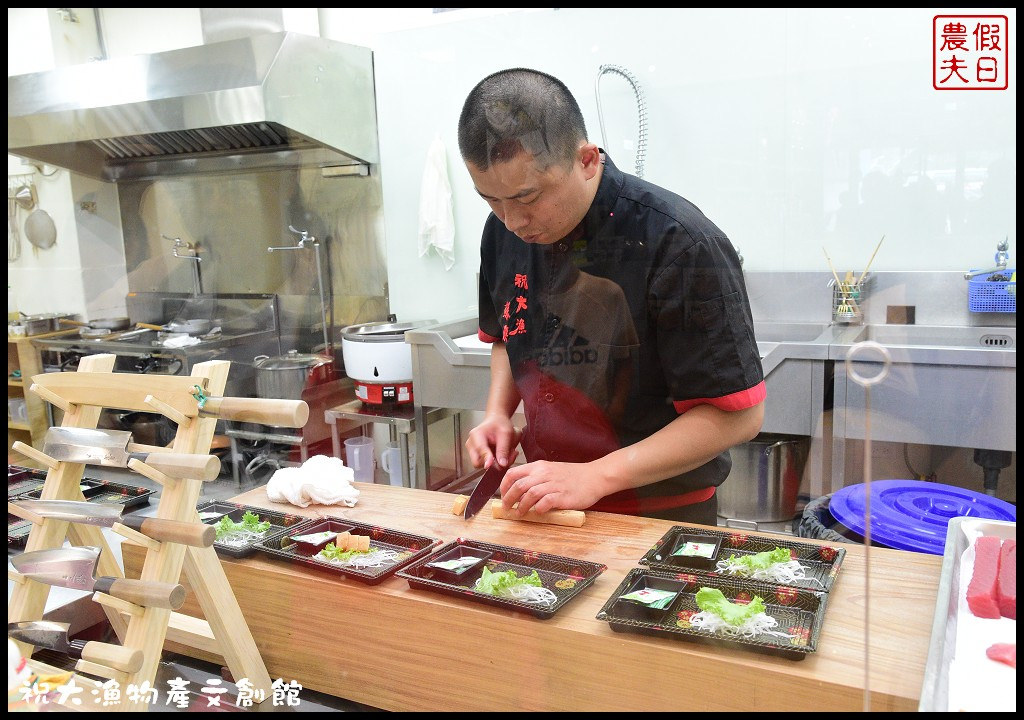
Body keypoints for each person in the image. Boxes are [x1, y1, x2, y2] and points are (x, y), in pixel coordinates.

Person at [457, 68, 765, 526]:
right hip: (550, 505)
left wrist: (597, 477)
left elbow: (738, 417)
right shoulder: (501, 233)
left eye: (528, 197)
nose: (512, 221)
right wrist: (498, 413)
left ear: (586, 159)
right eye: (490, 201)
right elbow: (507, 332)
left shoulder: (677, 241)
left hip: (661, 515)